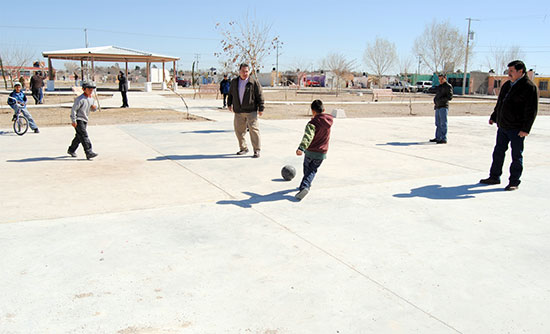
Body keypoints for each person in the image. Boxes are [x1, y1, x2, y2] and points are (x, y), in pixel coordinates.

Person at [479, 60, 538, 191]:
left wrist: (525, 129)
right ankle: (494, 177)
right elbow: (500, 103)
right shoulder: (507, 85)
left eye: (512, 71)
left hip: (517, 129)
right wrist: (494, 117)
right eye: (509, 71)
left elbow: (531, 110)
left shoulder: (529, 87)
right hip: (503, 126)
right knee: (498, 152)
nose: (509, 73)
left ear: (520, 71)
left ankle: (514, 182)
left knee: (516, 156)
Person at [295, 99, 334, 200]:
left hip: (311, 151)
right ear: (323, 109)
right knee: (312, 170)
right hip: (321, 153)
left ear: (313, 111)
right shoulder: (328, 121)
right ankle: (306, 183)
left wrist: (301, 148)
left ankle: (305, 186)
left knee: (308, 169)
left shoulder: (312, 123)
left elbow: (308, 136)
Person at [227, 63, 265, 158]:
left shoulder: (254, 82)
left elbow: (260, 95)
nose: (245, 73)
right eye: (243, 71)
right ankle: (243, 148)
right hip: (238, 111)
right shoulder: (234, 82)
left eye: (247, 71)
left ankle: (257, 150)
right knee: (239, 131)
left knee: (254, 130)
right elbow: (230, 94)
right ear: (239, 72)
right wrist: (229, 104)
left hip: (251, 111)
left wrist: (261, 108)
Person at [67, 81, 98, 160]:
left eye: (92, 89)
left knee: (79, 136)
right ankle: (88, 152)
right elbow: (73, 110)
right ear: (84, 89)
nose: (91, 91)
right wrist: (74, 120)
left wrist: (94, 108)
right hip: (78, 119)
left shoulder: (91, 99)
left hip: (85, 120)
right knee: (84, 136)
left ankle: (71, 150)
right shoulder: (79, 99)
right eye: (89, 89)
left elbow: (92, 108)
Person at [430, 73, 453, 144]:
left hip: (443, 106)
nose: (440, 80)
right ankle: (438, 137)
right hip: (438, 106)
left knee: (443, 123)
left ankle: (443, 138)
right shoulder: (440, 86)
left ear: (445, 78)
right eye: (439, 79)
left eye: (442, 79)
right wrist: (436, 100)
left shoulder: (448, 86)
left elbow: (449, 97)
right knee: (438, 123)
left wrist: (441, 100)